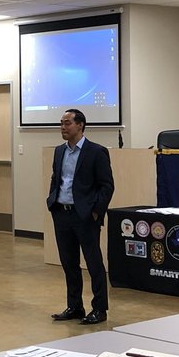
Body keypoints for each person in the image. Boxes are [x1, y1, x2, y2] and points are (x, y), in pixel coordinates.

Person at [46, 108, 114, 325]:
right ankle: (75, 306)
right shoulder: (59, 151)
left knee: (93, 263)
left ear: (80, 125)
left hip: (85, 216)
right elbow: (57, 179)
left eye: (67, 123)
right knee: (69, 263)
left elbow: (107, 186)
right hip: (62, 213)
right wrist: (52, 201)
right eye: (61, 123)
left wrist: (95, 212)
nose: (63, 128)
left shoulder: (96, 152)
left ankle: (99, 309)